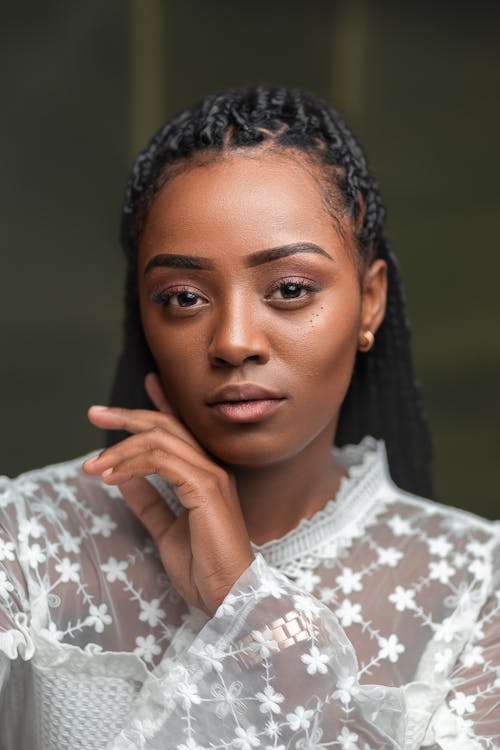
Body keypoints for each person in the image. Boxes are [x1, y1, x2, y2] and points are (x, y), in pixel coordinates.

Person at [0, 86, 498, 750]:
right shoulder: (27, 541)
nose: (234, 340)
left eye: (290, 290)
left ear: (369, 302)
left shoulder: (477, 589)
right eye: (183, 297)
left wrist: (244, 602)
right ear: (145, 314)